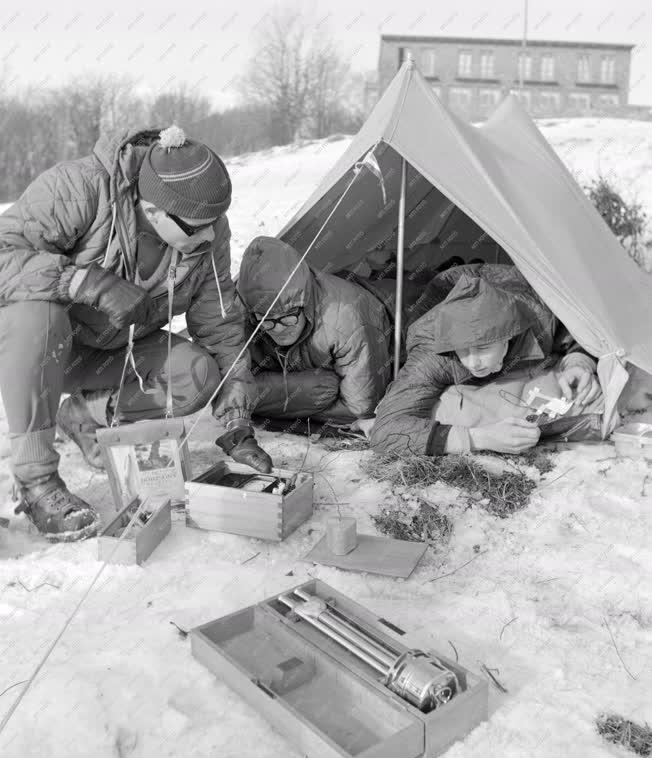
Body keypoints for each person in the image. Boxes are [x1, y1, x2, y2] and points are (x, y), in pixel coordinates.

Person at [0, 125, 271, 540]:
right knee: (38, 314)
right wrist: (84, 283)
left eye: (215, 224)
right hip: (40, 346)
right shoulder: (80, 188)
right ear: (155, 210)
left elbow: (219, 320)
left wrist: (237, 422)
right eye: (198, 227)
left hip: (114, 351)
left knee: (196, 376)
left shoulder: (204, 228)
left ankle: (84, 412)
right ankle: (37, 482)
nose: (211, 235)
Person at [370, 263, 604, 456]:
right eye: (463, 350)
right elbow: (385, 431)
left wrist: (578, 362)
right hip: (447, 286)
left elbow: (582, 330)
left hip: (517, 282)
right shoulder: (432, 354)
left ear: (508, 339)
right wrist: (478, 438)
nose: (473, 362)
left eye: (483, 348)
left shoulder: (539, 316)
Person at [237, 236, 396, 427]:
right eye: (266, 320)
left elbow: (361, 410)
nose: (278, 328)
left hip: (397, 307)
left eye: (288, 316)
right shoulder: (247, 313)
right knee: (320, 387)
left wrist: (303, 399)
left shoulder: (345, 320)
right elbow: (232, 386)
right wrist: (306, 394)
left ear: (305, 300)